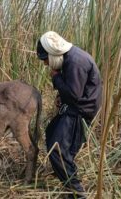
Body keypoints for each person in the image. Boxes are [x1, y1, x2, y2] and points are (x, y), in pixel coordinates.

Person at [36, 31, 102, 198]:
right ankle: (66, 175)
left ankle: (77, 192)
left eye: (45, 59)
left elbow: (73, 95)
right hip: (74, 106)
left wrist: (56, 78)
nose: (45, 64)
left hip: (80, 111)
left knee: (56, 148)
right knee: (52, 132)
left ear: (53, 53)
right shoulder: (68, 57)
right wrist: (60, 95)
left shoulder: (75, 62)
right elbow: (74, 88)